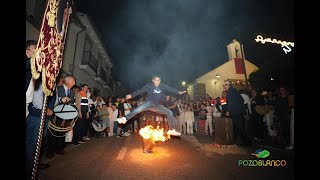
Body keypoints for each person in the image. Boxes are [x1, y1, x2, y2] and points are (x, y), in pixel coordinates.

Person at [117, 75, 186, 136]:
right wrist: (131, 95)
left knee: (169, 112)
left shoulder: (162, 86)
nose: (157, 82)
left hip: (157, 105)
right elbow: (140, 91)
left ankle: (171, 129)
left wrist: (178, 92)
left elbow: (170, 88)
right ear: (153, 80)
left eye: (159, 80)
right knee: (139, 109)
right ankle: (125, 118)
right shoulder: (149, 86)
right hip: (149, 103)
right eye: (156, 80)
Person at [223, 80, 249, 146]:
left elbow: (230, 102)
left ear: (227, 85)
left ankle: (246, 142)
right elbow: (242, 100)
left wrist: (228, 111)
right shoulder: (235, 91)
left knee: (239, 127)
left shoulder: (229, 91)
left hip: (235, 112)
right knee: (236, 127)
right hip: (239, 111)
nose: (224, 87)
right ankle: (233, 140)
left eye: (224, 85)